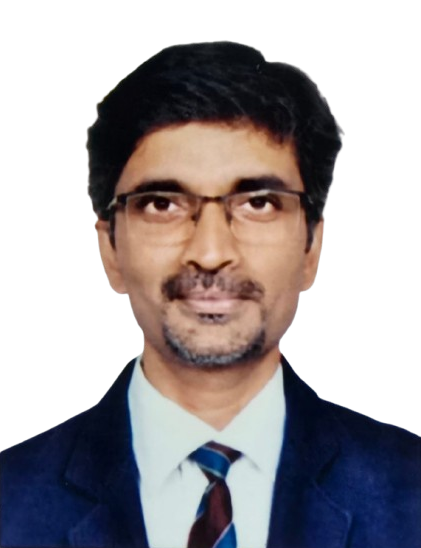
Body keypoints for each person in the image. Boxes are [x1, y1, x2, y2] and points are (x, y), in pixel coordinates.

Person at [1, 41, 419, 548]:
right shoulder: (9, 500)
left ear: (312, 246)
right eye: (163, 204)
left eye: (258, 203)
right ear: (109, 248)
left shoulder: (410, 489)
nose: (211, 252)